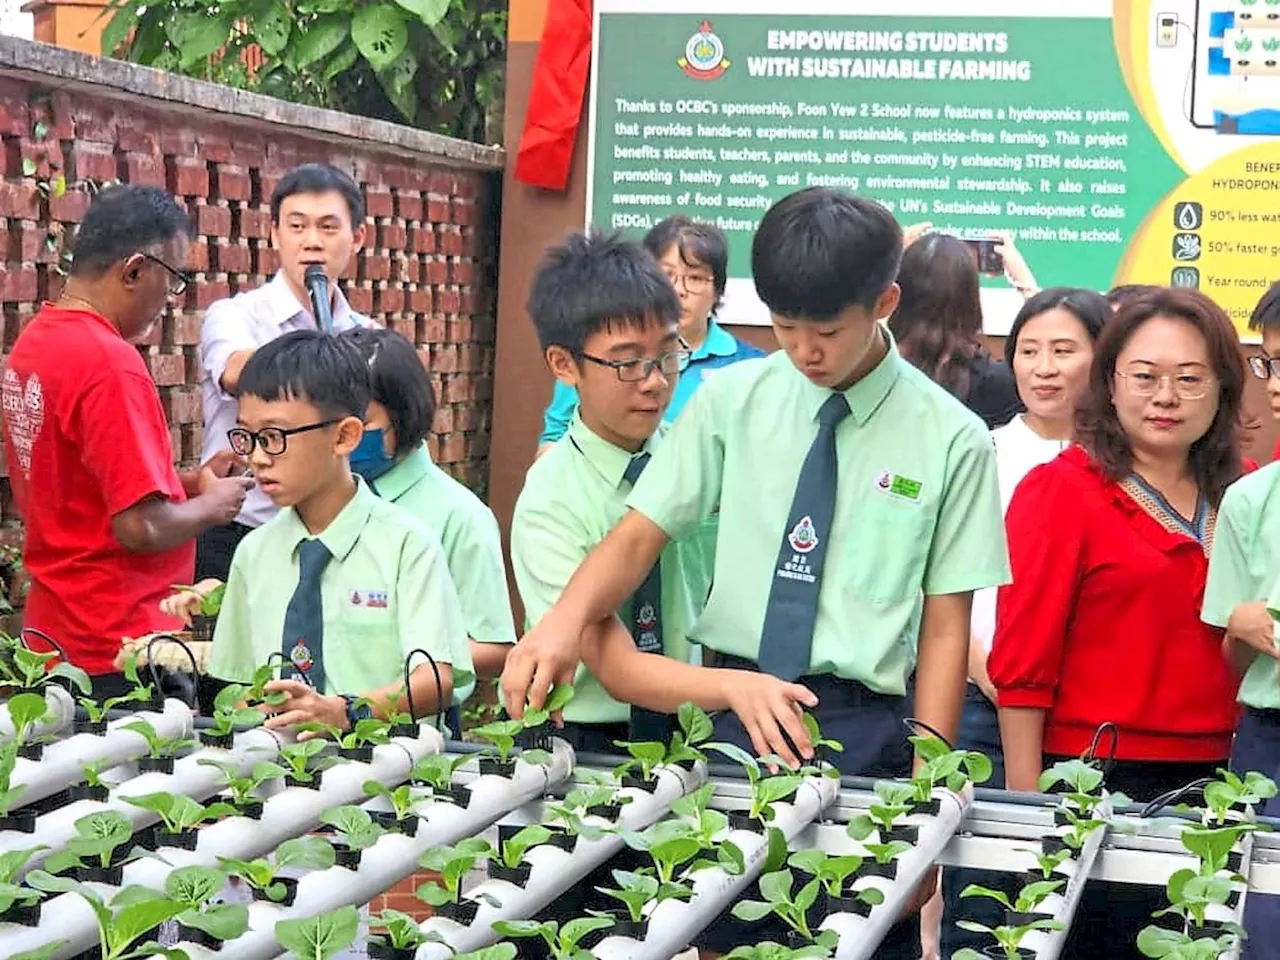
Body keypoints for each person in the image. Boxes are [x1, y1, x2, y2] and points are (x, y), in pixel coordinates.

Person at [502, 189, 1010, 958]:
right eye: (783, 326)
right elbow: (640, 536)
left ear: (886, 302)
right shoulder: (730, 403)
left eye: (828, 331)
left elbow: (945, 627)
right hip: (733, 720)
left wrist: (926, 805)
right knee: (733, 933)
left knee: (863, 936)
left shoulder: (952, 440)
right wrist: (560, 623)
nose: (805, 350)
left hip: (865, 725)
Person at [990, 287, 1245, 960]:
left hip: (1228, 783)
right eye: (1145, 377)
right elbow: (1021, 667)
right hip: (1091, 780)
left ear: (1222, 389)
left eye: (1190, 380)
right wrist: (1028, 812)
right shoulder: (1061, 490)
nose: (1167, 397)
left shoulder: (1246, 495)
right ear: (1110, 382)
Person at [0, 185, 252, 696]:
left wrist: (190, 484)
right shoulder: (110, 363)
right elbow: (139, 526)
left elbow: (82, 485)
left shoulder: (36, 342)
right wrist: (215, 506)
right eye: (174, 279)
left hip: (53, 636)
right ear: (135, 270)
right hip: (120, 648)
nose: (171, 301)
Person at [941, 287, 1109, 956]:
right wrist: (991, 672)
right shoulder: (977, 450)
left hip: (1087, 713)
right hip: (983, 697)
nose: (1043, 368)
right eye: (1028, 351)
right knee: (986, 899)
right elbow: (953, 587)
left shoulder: (1123, 469)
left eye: (1064, 351)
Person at [206, 330, 473, 731]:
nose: (258, 458)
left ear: (345, 436)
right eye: (248, 437)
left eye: (275, 437)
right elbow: (239, 681)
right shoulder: (254, 552)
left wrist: (347, 712)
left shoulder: (406, 545)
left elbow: (434, 680)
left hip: (387, 777)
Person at [197, 163, 372, 582]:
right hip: (242, 531)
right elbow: (239, 370)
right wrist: (329, 361)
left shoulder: (367, 335)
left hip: (337, 538)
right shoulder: (235, 316)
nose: (312, 242)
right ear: (274, 233)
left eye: (329, 228)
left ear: (358, 238)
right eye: (297, 226)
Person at [341, 326, 516, 689]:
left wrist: (397, 657)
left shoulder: (459, 516)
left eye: (363, 423)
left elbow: (495, 648)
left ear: (403, 415)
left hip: (416, 731)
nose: (347, 437)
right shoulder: (321, 502)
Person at [536, 217, 763, 454]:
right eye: (667, 275)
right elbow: (555, 436)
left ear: (718, 290)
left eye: (695, 278)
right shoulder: (595, 358)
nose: (679, 290)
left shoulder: (749, 364)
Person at [1201, 278, 1280, 958]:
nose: (1276, 383)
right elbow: (1228, 659)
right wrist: (1240, 631)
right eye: (1271, 362)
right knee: (1261, 931)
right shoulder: (1250, 500)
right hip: (1268, 741)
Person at [888, 232, 1021, 428]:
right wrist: (1024, 282)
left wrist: (889, 262)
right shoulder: (994, 383)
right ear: (970, 300)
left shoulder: (875, 369)